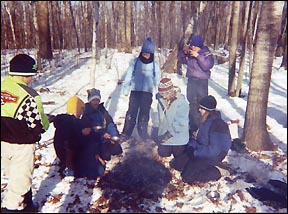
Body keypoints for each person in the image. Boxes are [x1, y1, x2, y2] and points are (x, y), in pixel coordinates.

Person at [1, 54, 50, 212]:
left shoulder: (2, 88)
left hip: (3, 142)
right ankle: (13, 208)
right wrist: (46, 124)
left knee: (15, 176)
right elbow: (39, 123)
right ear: (27, 75)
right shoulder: (30, 96)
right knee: (19, 184)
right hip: (22, 145)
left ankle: (27, 205)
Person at [176, 95, 232, 184]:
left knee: (188, 177)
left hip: (215, 155)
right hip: (204, 151)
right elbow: (199, 139)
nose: (199, 110)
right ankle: (200, 165)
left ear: (207, 110)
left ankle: (219, 170)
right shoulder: (206, 120)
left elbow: (215, 150)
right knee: (177, 164)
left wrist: (196, 153)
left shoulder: (217, 125)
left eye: (201, 108)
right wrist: (191, 146)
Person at [52, 95, 106, 179]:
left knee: (99, 166)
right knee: (97, 171)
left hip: (73, 155)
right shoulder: (66, 123)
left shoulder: (73, 121)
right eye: (81, 109)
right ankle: (71, 170)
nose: (82, 112)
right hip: (70, 158)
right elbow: (70, 144)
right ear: (76, 109)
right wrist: (81, 134)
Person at [120, 37, 161, 141]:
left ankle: (142, 132)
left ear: (151, 54)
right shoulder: (135, 62)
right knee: (131, 112)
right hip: (135, 91)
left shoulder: (154, 64)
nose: (146, 55)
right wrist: (126, 88)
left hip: (147, 92)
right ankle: (126, 133)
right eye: (144, 53)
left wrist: (158, 91)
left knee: (144, 112)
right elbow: (129, 75)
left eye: (148, 53)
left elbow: (157, 78)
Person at [178, 35, 215, 135]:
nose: (193, 48)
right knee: (192, 104)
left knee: (202, 105)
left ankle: (202, 129)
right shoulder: (190, 53)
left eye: (195, 46)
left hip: (202, 82)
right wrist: (183, 53)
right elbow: (181, 61)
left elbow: (207, 66)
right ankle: (193, 128)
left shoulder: (206, 54)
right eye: (192, 46)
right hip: (191, 81)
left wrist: (198, 56)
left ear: (200, 46)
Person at [155, 77, 190, 169]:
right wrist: (162, 134)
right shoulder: (161, 101)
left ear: (170, 92)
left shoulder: (182, 103)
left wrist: (169, 135)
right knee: (162, 153)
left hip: (179, 137)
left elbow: (181, 123)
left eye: (165, 93)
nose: (163, 96)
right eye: (161, 93)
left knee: (179, 160)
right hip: (165, 136)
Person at [82, 88, 122, 161]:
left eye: (97, 100)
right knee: (106, 156)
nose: (96, 102)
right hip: (95, 139)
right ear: (90, 101)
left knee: (117, 150)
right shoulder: (87, 113)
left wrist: (113, 135)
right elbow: (91, 128)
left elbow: (109, 122)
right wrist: (103, 134)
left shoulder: (102, 110)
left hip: (106, 137)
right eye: (93, 100)